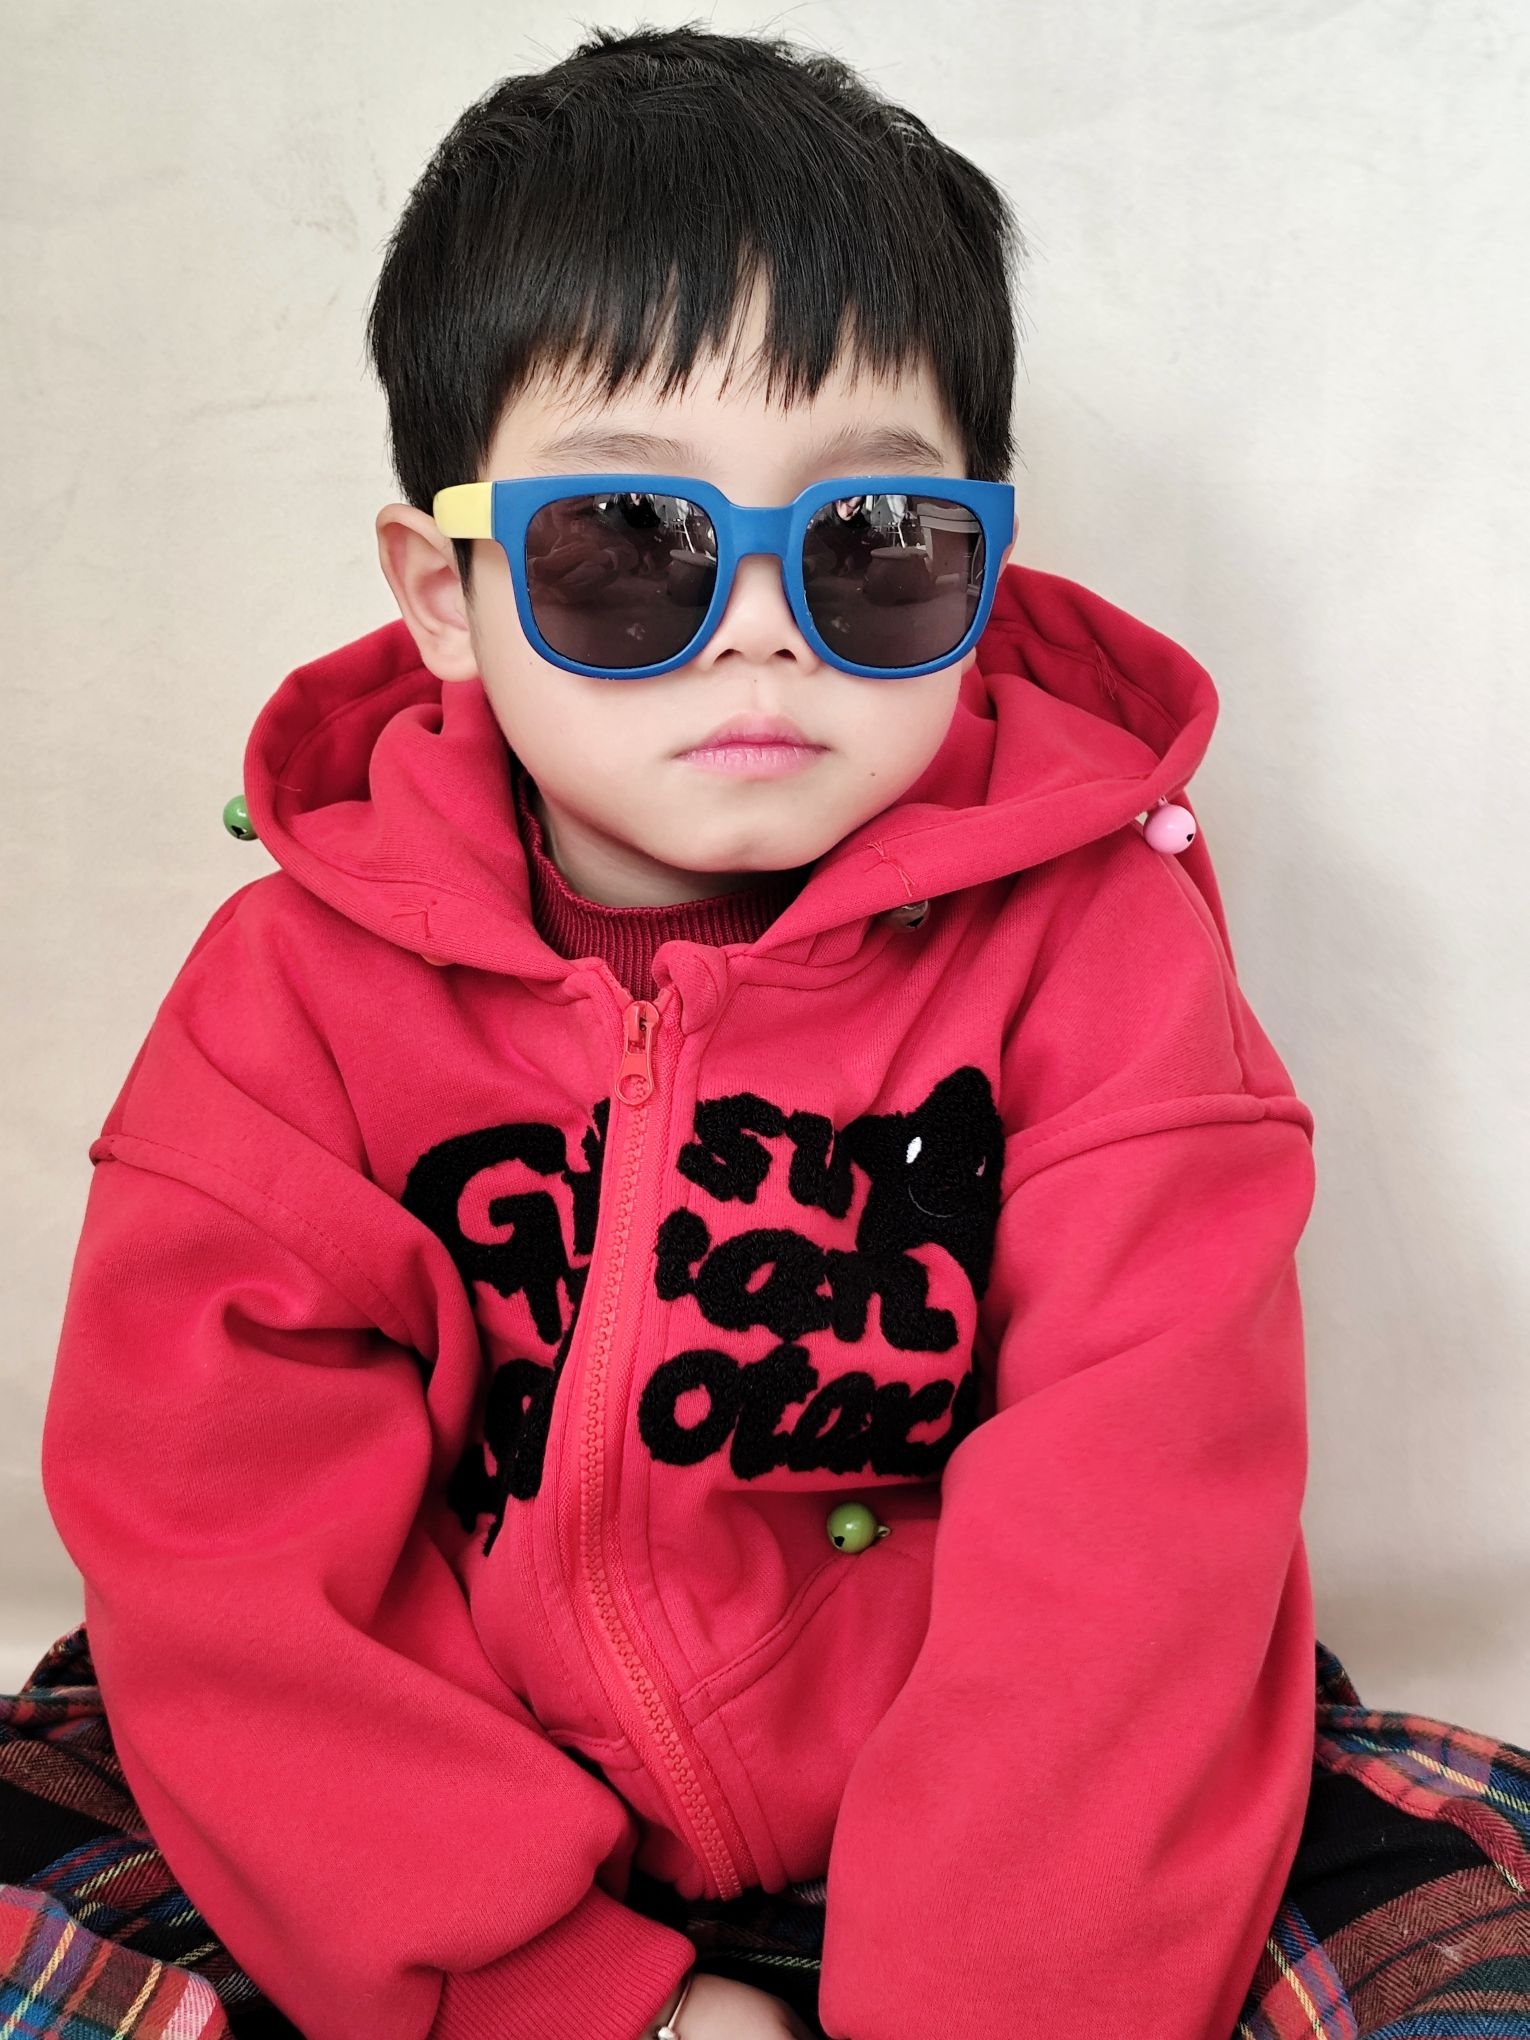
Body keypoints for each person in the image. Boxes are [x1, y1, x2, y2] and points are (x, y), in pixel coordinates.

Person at [22, 20, 1530, 2040]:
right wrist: (585, 2003)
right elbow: (228, 1561)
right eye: (622, 542)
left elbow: (1136, 1547)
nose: (755, 624)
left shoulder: (1097, 957)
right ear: (444, 595)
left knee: (1471, 1963)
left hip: (1022, 1832)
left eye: (871, 542)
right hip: (435, 1838)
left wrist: (978, 2006)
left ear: (981, 563)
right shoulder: (287, 1001)